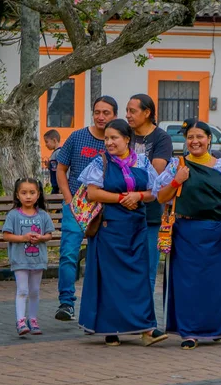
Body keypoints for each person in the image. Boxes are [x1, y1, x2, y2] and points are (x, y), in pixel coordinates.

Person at [154, 119, 221, 350]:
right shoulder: (177, 165)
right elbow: (161, 197)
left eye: (200, 137)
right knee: (188, 284)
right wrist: (177, 181)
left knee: (215, 284)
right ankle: (190, 331)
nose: (195, 141)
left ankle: (215, 328)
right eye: (191, 137)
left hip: (216, 233)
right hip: (185, 232)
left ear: (209, 139)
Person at [77, 118, 167, 346]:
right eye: (106, 138)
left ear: (127, 139)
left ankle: (146, 328)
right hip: (110, 228)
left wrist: (138, 196)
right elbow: (93, 193)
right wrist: (121, 198)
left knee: (139, 277)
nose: (109, 142)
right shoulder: (101, 163)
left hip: (136, 227)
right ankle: (110, 329)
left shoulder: (143, 162)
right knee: (111, 279)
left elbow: (153, 192)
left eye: (114, 137)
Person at [55, 96, 118, 321]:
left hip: (104, 207)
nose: (101, 117)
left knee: (100, 256)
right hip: (76, 206)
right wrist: (69, 199)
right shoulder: (78, 137)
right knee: (69, 254)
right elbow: (61, 170)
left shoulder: (115, 140)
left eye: (106, 113)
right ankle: (66, 302)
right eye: (97, 112)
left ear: (114, 116)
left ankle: (97, 303)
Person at [126, 94, 173, 294]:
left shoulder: (161, 138)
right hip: (123, 210)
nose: (128, 115)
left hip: (150, 213)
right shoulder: (124, 133)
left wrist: (126, 178)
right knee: (125, 268)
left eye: (132, 111)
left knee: (148, 269)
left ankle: (145, 320)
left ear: (147, 113)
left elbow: (156, 173)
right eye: (126, 111)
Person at [2, 178, 54, 336]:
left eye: (32, 192)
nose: (28, 196)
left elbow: (49, 235)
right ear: (17, 195)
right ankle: (21, 321)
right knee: (22, 290)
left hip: (38, 259)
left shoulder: (43, 215)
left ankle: (33, 319)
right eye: (24, 193)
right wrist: (23, 238)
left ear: (38, 195)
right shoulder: (13, 215)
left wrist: (41, 238)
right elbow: (6, 235)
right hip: (20, 260)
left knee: (35, 291)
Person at [44, 130, 62, 194]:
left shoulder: (59, 152)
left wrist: (61, 186)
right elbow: (55, 167)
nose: (45, 145)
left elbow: (62, 169)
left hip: (58, 185)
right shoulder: (54, 153)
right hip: (54, 185)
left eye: (47, 142)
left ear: (54, 140)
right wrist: (49, 165)